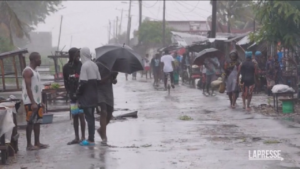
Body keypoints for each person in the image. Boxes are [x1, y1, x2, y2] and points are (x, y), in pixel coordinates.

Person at [22, 52, 49, 151]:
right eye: (39, 58)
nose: (40, 60)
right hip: (29, 101)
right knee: (30, 122)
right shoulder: (28, 71)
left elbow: (38, 87)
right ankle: (29, 144)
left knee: (37, 121)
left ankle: (37, 142)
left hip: (37, 101)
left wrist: (40, 101)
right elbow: (28, 87)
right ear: (33, 60)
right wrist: (33, 102)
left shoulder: (36, 71)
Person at [76, 47, 101, 146]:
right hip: (94, 95)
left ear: (82, 54)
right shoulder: (94, 65)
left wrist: (78, 93)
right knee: (91, 118)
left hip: (86, 95)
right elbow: (99, 80)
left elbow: (83, 82)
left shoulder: (84, 66)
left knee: (89, 117)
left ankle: (91, 140)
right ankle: (91, 138)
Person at [63, 47, 86, 145]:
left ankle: (83, 137)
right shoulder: (66, 67)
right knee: (75, 115)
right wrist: (69, 92)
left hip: (81, 95)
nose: (78, 56)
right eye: (77, 54)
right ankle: (76, 137)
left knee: (82, 115)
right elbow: (65, 81)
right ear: (72, 55)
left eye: (79, 54)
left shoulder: (82, 65)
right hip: (72, 96)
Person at [95, 62, 118, 144]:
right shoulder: (98, 65)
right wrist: (109, 76)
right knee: (103, 112)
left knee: (109, 114)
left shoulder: (113, 66)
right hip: (100, 91)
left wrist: (114, 77)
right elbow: (98, 82)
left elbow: (113, 81)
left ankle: (101, 130)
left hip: (109, 92)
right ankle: (104, 136)